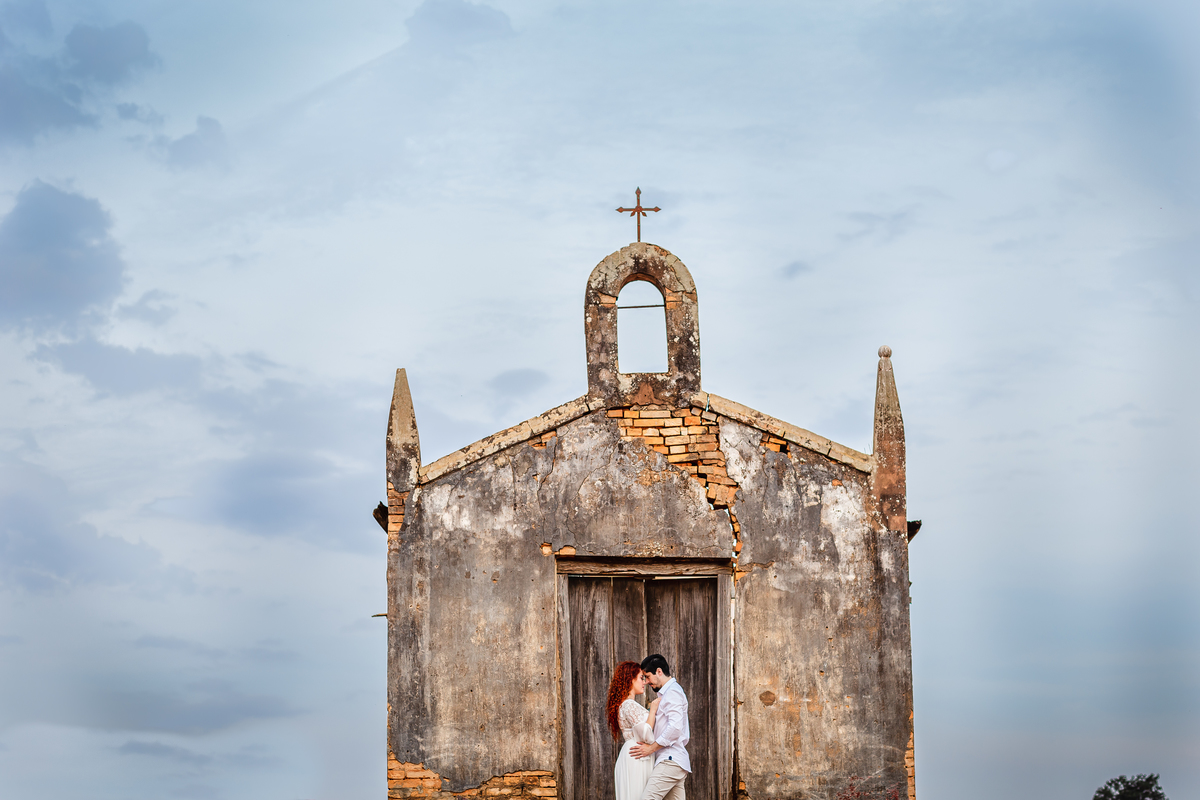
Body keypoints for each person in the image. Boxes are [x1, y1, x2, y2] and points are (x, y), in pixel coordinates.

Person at [629, 654, 690, 800]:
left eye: (647, 676)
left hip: (670, 759)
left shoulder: (672, 692)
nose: (647, 681)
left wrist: (651, 748)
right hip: (675, 761)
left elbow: (675, 728)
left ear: (659, 671)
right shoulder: (670, 692)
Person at [606, 661, 659, 800]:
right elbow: (645, 735)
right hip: (637, 756)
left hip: (637, 754)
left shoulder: (627, 704)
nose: (645, 682)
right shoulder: (629, 704)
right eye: (641, 678)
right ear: (630, 679)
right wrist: (653, 710)